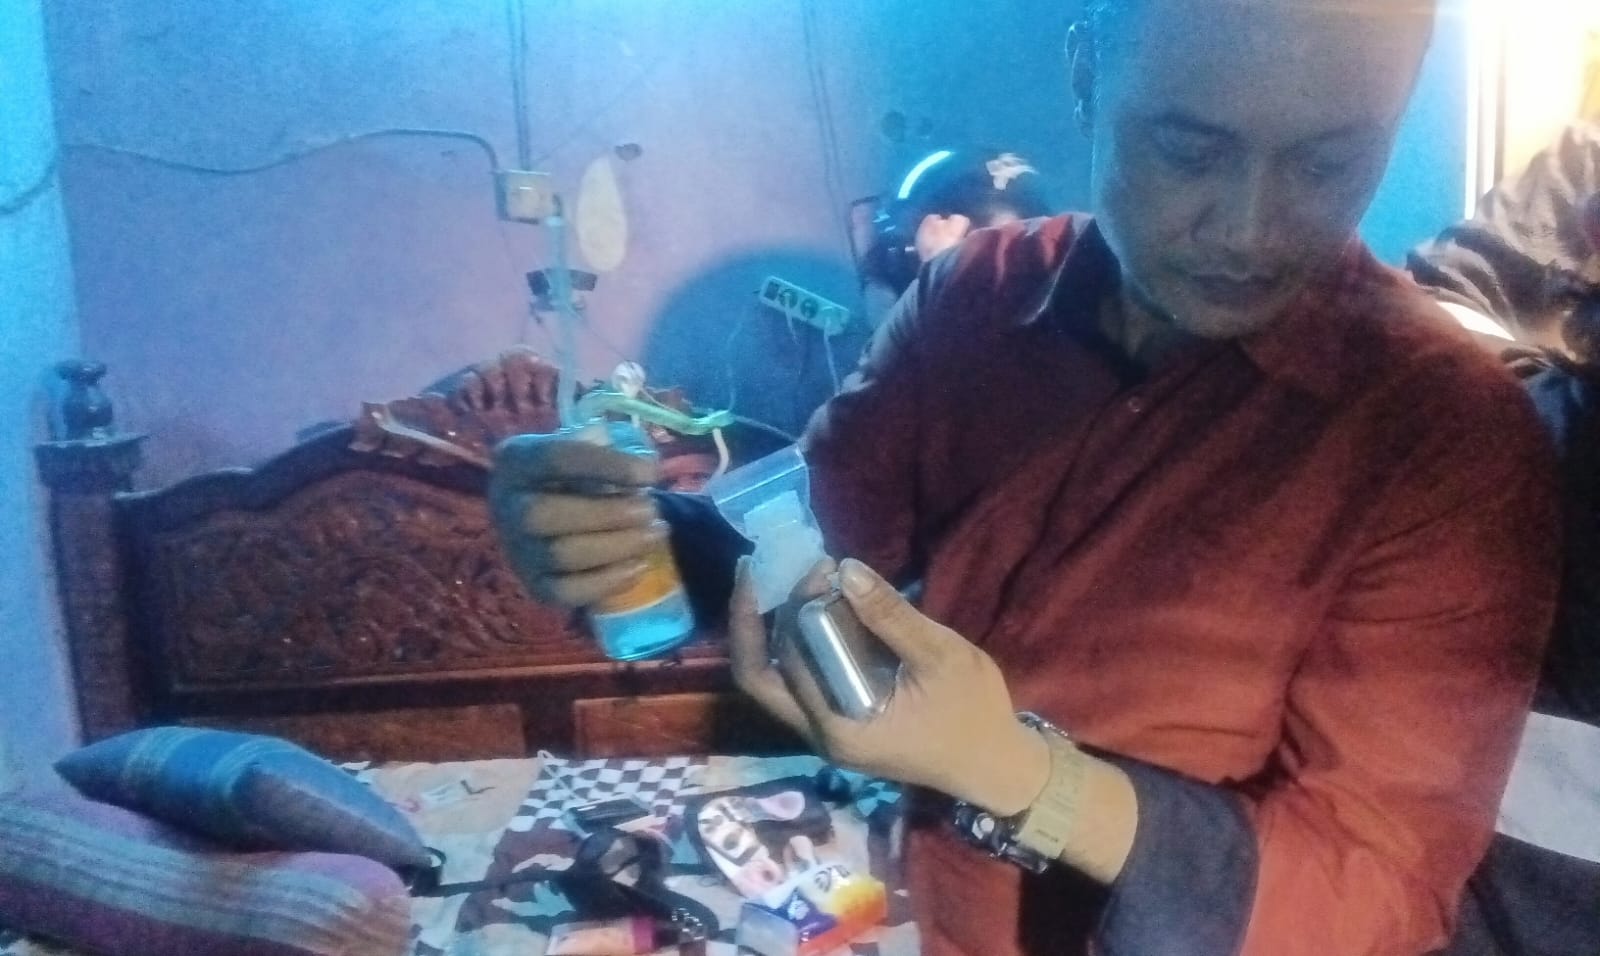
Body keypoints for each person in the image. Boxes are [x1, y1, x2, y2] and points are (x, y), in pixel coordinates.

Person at [489, 1, 1560, 953]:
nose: (1248, 229)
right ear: (1085, 70)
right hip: (914, 908)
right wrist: (634, 536)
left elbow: (1374, 886)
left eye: (1327, 165)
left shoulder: (1442, 433)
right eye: (1187, 150)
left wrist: (1018, 773)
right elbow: (811, 545)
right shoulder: (977, 296)